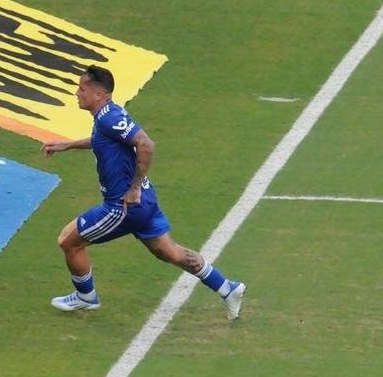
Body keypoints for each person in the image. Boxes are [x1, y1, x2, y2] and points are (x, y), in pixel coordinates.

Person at [40, 65, 245, 318]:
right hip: (144, 202)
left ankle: (86, 297)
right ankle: (228, 288)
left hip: (122, 205)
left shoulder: (108, 118)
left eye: (82, 89)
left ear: (99, 94)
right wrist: (67, 145)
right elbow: (103, 140)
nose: (76, 93)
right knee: (170, 252)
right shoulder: (107, 116)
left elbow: (146, 143)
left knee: (68, 241)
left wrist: (134, 187)